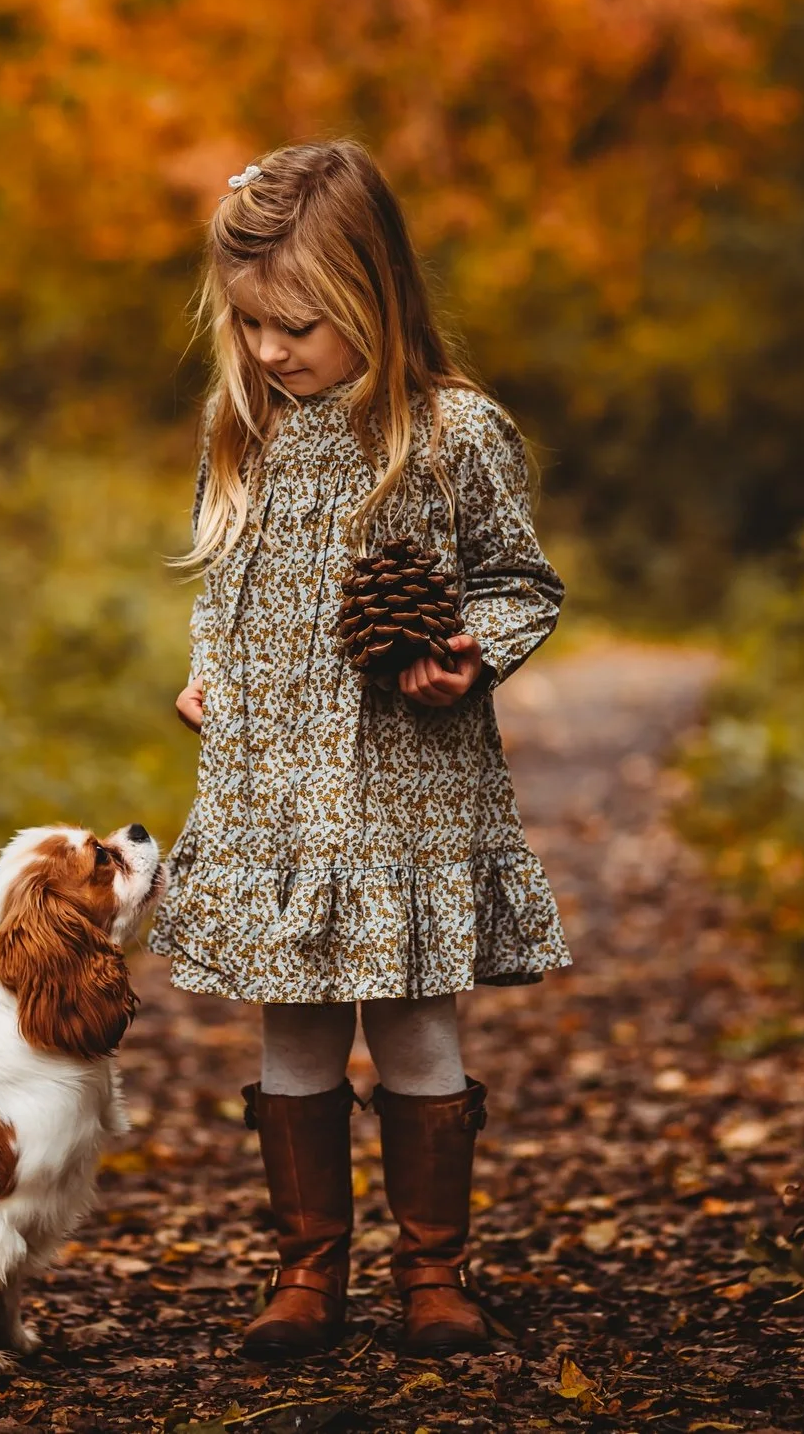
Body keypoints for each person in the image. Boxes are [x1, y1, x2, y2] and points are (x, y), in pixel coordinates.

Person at [153, 140, 569, 1358]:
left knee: (412, 1020)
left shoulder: (453, 433)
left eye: (298, 325)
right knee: (293, 1019)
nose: (272, 351)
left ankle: (431, 1271)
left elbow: (518, 582)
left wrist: (471, 652)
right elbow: (220, 577)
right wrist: (209, 672)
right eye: (251, 326)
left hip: (404, 786)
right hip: (272, 782)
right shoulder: (240, 427)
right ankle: (305, 1269)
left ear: (374, 297)